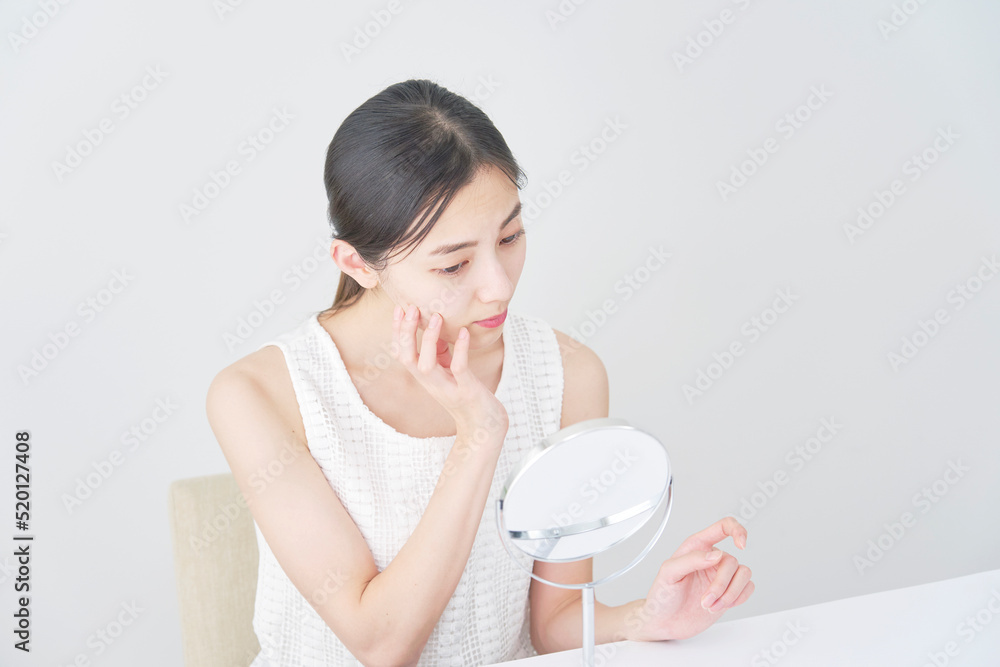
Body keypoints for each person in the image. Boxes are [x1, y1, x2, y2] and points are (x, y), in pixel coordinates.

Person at [206, 78, 754, 667]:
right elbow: (381, 645)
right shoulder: (261, 393)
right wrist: (478, 435)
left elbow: (553, 624)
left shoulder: (568, 375)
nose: (499, 286)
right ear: (357, 264)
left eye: (510, 236)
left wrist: (649, 617)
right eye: (454, 265)